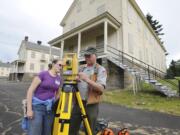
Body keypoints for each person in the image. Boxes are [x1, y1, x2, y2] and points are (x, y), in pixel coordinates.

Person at [69, 47, 107, 135]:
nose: (86, 58)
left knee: (89, 130)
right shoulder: (81, 68)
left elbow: (101, 88)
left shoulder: (100, 69)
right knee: (72, 127)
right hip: (78, 102)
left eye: (89, 56)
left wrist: (87, 79)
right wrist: (74, 80)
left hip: (91, 104)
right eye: (85, 56)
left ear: (95, 56)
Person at [26, 59, 64, 135]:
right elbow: (30, 91)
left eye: (62, 66)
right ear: (53, 64)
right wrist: (29, 109)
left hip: (49, 110)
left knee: (47, 132)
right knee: (35, 132)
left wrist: (54, 104)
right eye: (59, 65)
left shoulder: (59, 79)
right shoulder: (43, 74)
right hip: (37, 108)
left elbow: (58, 94)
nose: (61, 67)